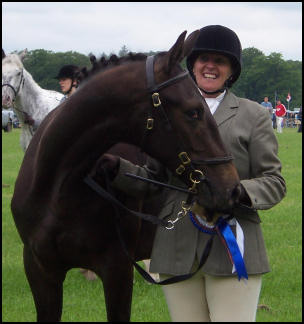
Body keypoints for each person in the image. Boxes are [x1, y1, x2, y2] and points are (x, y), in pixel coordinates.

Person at [93, 25, 286, 322]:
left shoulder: (253, 115)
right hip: (177, 247)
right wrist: (119, 170)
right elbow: (156, 179)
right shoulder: (169, 113)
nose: (210, 66)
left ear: (231, 70)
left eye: (220, 61)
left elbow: (274, 181)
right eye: (204, 58)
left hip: (232, 244)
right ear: (192, 64)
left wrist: (238, 192)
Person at [23, 64, 80, 130]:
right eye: (60, 80)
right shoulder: (63, 100)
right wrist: (33, 122)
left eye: (64, 79)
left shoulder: (80, 101)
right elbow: (53, 123)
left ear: (75, 81)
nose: (60, 82)